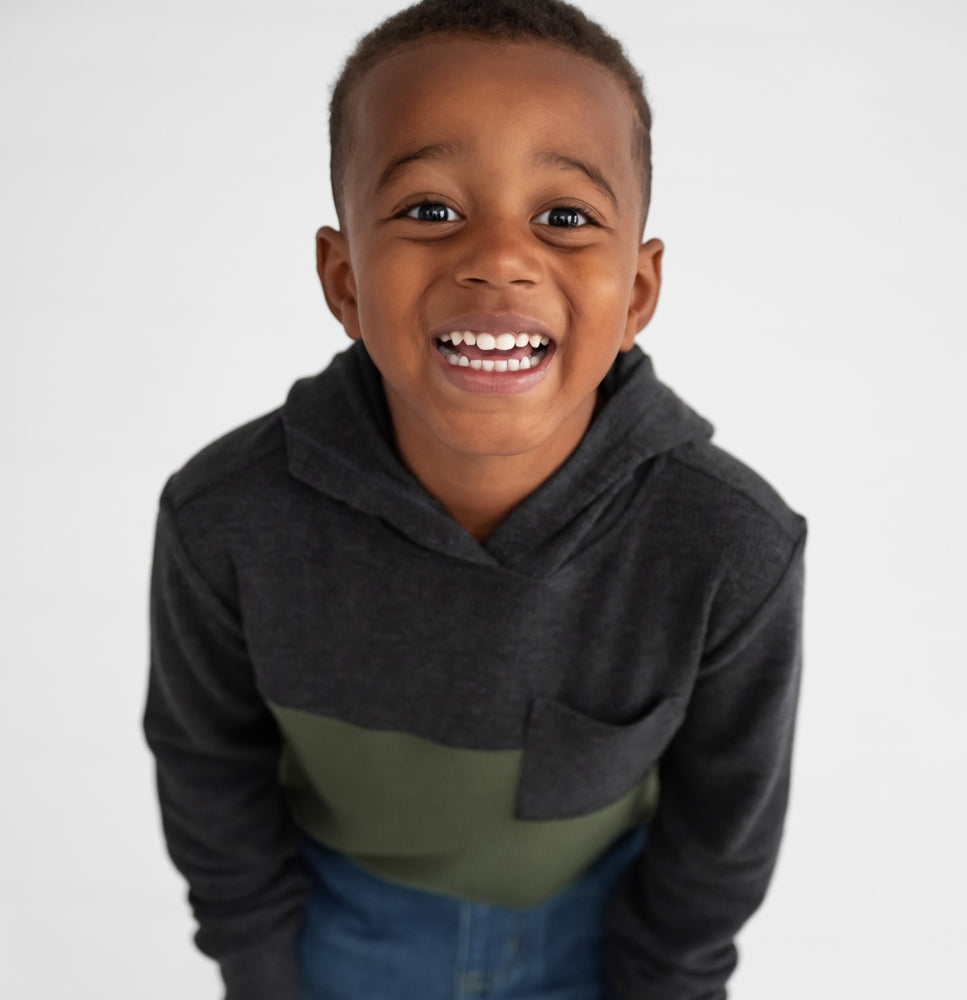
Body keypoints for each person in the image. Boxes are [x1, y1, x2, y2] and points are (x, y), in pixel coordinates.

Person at [143, 1, 807, 998]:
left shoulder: (726, 539)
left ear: (635, 290)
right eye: (429, 210)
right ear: (343, 279)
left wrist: (667, 978)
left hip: (608, 937)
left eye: (566, 217)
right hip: (339, 927)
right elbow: (207, 764)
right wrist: (260, 969)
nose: (499, 256)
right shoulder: (225, 517)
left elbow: (725, 821)